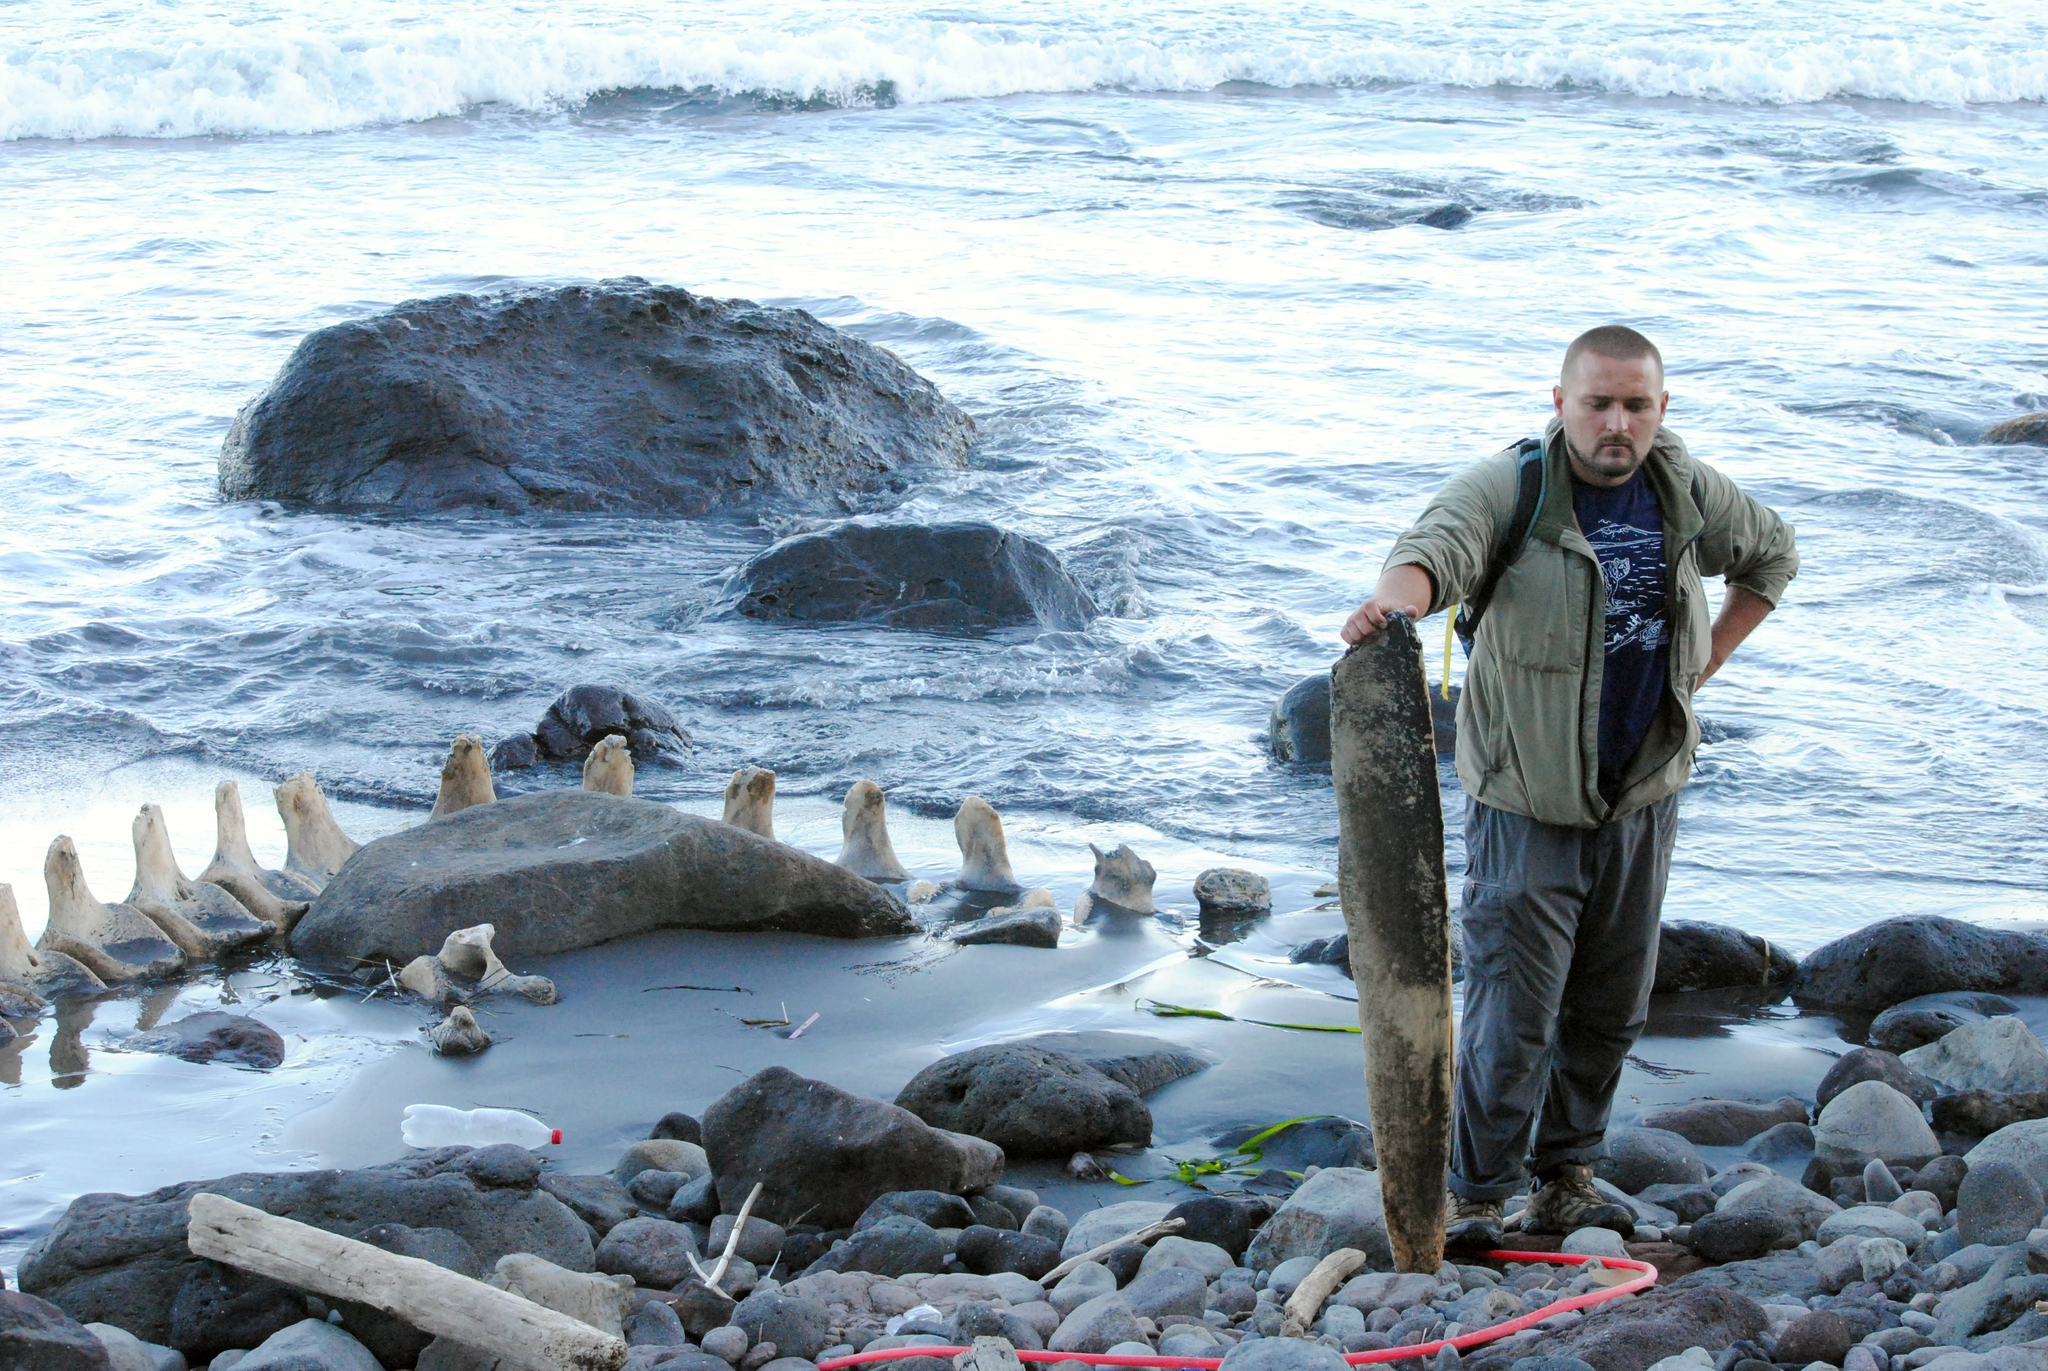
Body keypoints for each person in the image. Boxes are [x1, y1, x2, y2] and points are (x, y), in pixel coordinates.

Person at [1340, 325, 1799, 1245]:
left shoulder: (1685, 488)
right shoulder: (1512, 488)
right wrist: (1396, 603)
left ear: (1662, 410)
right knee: (1513, 1008)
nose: (1617, 422)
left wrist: (1700, 665)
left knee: (1611, 1001)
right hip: (1527, 801)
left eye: (1637, 404)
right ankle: (1476, 1193)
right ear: (1561, 404)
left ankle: (1567, 1178)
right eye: (1599, 403)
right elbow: (1433, 548)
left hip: (1643, 795)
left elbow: (1772, 558)